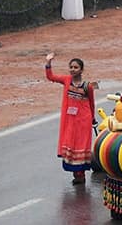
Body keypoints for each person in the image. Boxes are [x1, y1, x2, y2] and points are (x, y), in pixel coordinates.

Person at [44, 53, 95, 184]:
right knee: (71, 144)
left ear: (82, 70)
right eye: (71, 67)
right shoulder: (66, 80)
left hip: (83, 121)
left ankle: (81, 174)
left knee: (81, 145)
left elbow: (91, 103)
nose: (72, 69)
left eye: (76, 67)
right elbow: (51, 77)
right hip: (70, 121)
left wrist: (92, 119)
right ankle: (76, 174)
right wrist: (48, 63)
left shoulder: (88, 86)